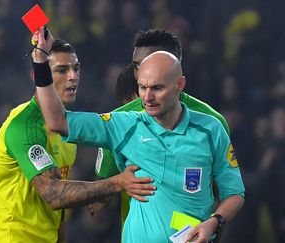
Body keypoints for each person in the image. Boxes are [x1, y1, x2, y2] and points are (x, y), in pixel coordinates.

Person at [32, 27, 245, 242]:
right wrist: (40, 62)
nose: (147, 97)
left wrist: (214, 222)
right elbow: (58, 121)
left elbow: (234, 193)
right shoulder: (125, 124)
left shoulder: (211, 129)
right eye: (142, 87)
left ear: (179, 85)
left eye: (157, 88)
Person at [0, 39, 152, 243]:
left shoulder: (66, 129)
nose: (73, 76)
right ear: (39, 76)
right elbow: (52, 193)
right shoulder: (24, 127)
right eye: (62, 70)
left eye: (76, 68)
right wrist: (117, 182)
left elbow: (59, 206)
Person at [93, 29, 232, 229]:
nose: (142, 73)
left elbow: (224, 196)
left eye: (149, 64)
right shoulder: (119, 121)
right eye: (136, 67)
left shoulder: (212, 123)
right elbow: (101, 192)